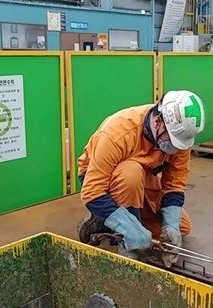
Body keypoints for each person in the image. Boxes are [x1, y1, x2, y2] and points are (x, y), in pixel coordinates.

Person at [76, 90, 206, 268]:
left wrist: (171, 226)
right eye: (173, 141)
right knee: (131, 173)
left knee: (182, 228)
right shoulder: (118, 132)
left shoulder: (179, 138)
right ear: (158, 121)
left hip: (143, 179)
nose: (176, 149)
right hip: (101, 182)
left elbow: (174, 184)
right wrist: (129, 229)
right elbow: (92, 191)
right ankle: (123, 235)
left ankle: (108, 222)